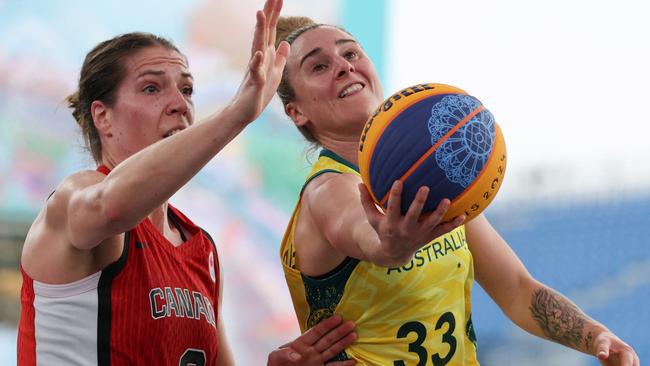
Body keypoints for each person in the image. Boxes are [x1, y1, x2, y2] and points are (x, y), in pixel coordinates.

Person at [273, 16, 640, 366]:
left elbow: (516, 290)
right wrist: (389, 247)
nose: (343, 65)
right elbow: (367, 237)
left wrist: (595, 335)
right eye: (319, 66)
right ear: (296, 113)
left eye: (350, 53)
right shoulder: (327, 189)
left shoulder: (431, 178)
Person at [16, 1, 357, 365]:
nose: (180, 104)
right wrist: (237, 114)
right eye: (151, 89)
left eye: (188, 90)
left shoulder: (201, 247)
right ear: (103, 116)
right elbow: (110, 206)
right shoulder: (75, 199)